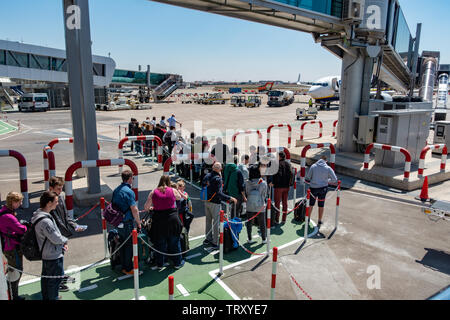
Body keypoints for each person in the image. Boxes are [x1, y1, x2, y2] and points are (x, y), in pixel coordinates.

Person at [48, 176, 85, 292]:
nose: (60, 191)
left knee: (60, 257)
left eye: (61, 188)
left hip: (61, 234)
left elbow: (65, 217)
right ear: (51, 188)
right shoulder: (49, 201)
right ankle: (56, 283)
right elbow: (56, 221)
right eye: (58, 189)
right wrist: (65, 237)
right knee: (55, 260)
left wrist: (75, 225)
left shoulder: (60, 197)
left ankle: (61, 276)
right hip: (55, 236)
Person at [32, 191, 68, 300]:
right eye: (56, 201)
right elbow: (56, 238)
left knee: (46, 279)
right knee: (54, 281)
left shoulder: (37, 215)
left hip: (45, 253)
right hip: (53, 255)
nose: (57, 204)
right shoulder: (46, 221)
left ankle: (48, 297)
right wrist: (65, 240)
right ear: (49, 203)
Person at [144, 176, 185, 270]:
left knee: (159, 244)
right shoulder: (173, 190)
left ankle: (160, 264)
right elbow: (179, 198)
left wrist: (153, 207)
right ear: (169, 182)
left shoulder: (153, 192)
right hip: (172, 220)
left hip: (158, 221)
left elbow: (146, 207)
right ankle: (177, 263)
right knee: (174, 242)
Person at [202, 162, 237, 252]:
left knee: (208, 220)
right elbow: (219, 193)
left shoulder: (207, 176)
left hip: (206, 201)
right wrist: (230, 198)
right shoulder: (218, 179)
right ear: (219, 169)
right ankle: (215, 242)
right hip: (215, 203)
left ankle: (208, 238)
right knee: (216, 222)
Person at [112, 170, 141, 275]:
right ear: (129, 179)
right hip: (127, 222)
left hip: (117, 221)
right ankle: (128, 268)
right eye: (132, 178)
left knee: (122, 243)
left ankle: (124, 265)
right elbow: (134, 209)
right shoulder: (129, 192)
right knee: (128, 245)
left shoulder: (116, 190)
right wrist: (138, 222)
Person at [0, 192, 27, 300]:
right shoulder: (8, 216)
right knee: (16, 272)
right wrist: (24, 225)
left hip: (8, 247)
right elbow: (21, 229)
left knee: (13, 271)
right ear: (13, 202)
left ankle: (11, 294)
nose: (20, 204)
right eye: (19, 202)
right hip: (12, 248)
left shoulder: (4, 212)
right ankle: (13, 295)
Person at [305, 155, 338, 230]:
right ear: (325, 161)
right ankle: (319, 220)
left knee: (311, 204)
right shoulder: (328, 168)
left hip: (313, 188)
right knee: (321, 205)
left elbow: (308, 178)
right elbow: (335, 179)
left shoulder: (313, 166)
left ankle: (308, 218)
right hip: (323, 188)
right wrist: (326, 181)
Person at [244, 165, 268, 245]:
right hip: (260, 204)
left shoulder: (247, 182)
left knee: (249, 222)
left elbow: (247, 193)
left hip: (250, 204)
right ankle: (264, 239)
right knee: (262, 222)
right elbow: (264, 195)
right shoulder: (263, 183)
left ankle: (250, 238)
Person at [269, 151, 293, 225]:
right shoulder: (288, 164)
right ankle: (284, 219)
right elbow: (291, 174)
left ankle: (277, 219)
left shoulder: (277, 164)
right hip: (287, 186)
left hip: (279, 187)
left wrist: (273, 183)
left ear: (280, 157)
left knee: (277, 203)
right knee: (285, 203)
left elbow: (277, 174)